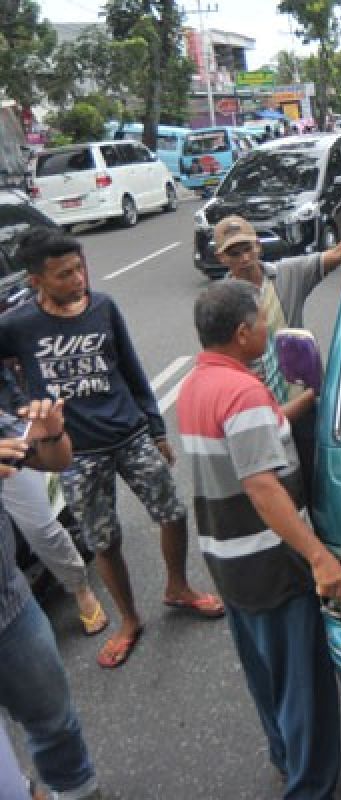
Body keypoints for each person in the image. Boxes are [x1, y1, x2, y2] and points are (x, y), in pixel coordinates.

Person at [1, 229, 223, 669]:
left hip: (130, 434)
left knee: (173, 513)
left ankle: (178, 588)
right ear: (36, 281)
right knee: (105, 540)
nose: (78, 279)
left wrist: (157, 430)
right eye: (63, 274)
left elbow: (133, 370)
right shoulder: (18, 325)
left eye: (79, 268)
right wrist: (18, 406)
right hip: (77, 454)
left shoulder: (104, 308)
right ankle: (129, 619)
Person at [177, 280, 341, 800]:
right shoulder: (242, 392)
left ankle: (281, 752)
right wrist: (318, 557)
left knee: (266, 671)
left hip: (227, 558)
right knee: (305, 685)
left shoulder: (199, 383)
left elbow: (257, 435)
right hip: (268, 561)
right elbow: (261, 485)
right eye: (260, 323)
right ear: (242, 332)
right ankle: (309, 786)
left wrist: (307, 402)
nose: (268, 331)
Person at [214, 214, 341, 496]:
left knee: (314, 482)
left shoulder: (287, 274)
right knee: (272, 492)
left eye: (247, 248)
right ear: (221, 258)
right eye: (234, 253)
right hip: (256, 415)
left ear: (258, 246)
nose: (244, 258)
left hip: (301, 405)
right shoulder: (220, 301)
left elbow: (340, 253)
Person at [0, 394, 99, 799]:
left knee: (54, 722)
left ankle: (76, 789)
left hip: (10, 606)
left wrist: (51, 432)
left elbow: (53, 460)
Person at [1, 363, 106, 636]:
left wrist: (44, 430)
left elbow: (56, 458)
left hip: (7, 447)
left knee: (40, 528)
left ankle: (80, 589)